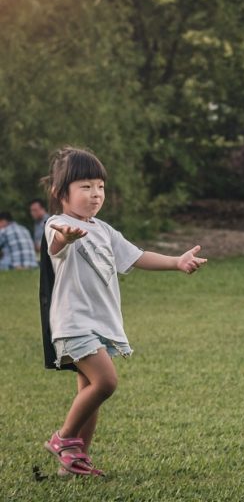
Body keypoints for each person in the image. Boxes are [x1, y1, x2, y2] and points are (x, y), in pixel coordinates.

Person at [40, 146, 207, 477]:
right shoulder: (58, 223)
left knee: (91, 389)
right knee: (106, 382)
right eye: (85, 186)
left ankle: (74, 463)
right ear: (61, 193)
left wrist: (176, 262)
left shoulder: (102, 229)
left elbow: (136, 256)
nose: (95, 194)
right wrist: (66, 237)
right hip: (73, 322)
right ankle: (63, 438)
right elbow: (55, 245)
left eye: (100, 186)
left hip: (99, 323)